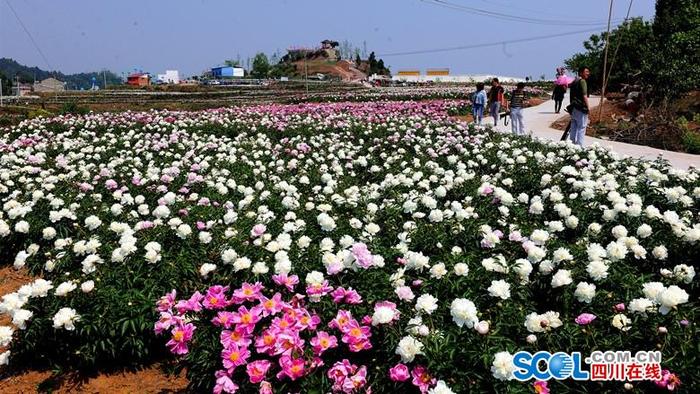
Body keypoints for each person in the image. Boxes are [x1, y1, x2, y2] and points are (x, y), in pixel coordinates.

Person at [568, 66, 590, 146]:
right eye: (586, 71)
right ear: (581, 72)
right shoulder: (582, 81)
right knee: (582, 127)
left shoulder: (574, 81)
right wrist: (588, 107)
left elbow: (571, 95)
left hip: (574, 108)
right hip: (581, 108)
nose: (588, 73)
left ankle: (571, 145)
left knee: (573, 127)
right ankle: (580, 146)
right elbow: (585, 96)